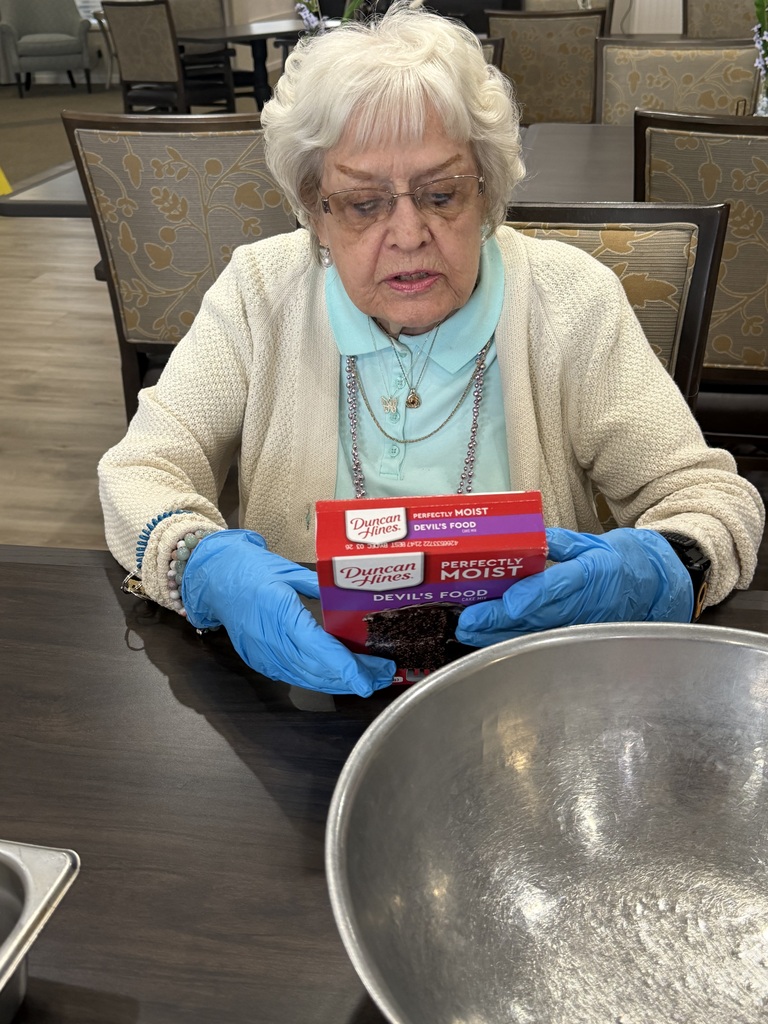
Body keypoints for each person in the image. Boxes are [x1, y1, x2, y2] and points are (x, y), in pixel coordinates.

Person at [99, 2, 764, 698]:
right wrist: (197, 562)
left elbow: (713, 503)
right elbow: (141, 470)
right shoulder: (259, 294)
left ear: (488, 190)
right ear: (315, 209)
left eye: (441, 194)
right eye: (364, 203)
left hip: (536, 693)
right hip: (307, 698)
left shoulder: (572, 299)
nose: (409, 233)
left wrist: (669, 565)